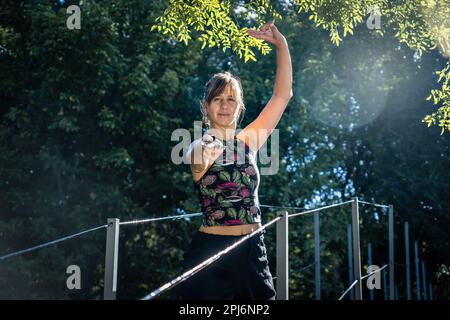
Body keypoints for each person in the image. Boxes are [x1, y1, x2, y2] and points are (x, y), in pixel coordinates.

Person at [180, 21, 293, 300]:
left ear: (239, 107)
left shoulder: (248, 142)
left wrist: (282, 46)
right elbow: (195, 159)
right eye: (217, 99)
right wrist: (202, 154)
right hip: (211, 256)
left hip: (253, 250)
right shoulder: (201, 143)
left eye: (231, 99)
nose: (224, 105)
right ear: (206, 106)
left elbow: (282, 95)